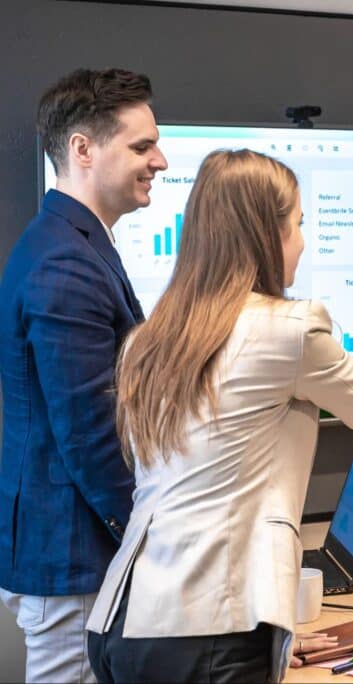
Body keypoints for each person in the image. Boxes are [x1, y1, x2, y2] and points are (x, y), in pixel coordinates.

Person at [84, 149, 353, 683]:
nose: (303, 241)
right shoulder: (287, 330)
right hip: (208, 634)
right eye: (299, 224)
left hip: (125, 623)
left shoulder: (149, 340)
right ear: (268, 233)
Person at [0, 68, 167, 683]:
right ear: (82, 149)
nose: (162, 160)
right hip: (72, 556)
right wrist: (151, 540)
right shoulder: (66, 262)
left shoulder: (74, 243)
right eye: (142, 146)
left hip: (73, 549)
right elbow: (90, 432)